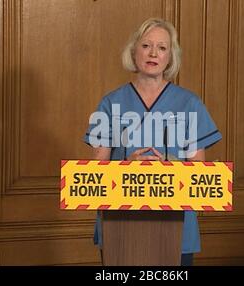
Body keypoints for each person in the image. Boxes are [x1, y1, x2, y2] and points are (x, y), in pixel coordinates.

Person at [84, 18, 222, 266]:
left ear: (170, 57)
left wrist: (168, 167)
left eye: (162, 47)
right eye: (146, 45)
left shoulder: (190, 104)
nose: (153, 53)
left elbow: (201, 176)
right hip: (120, 226)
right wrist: (127, 166)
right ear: (134, 51)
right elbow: (95, 173)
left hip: (176, 227)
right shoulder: (110, 103)